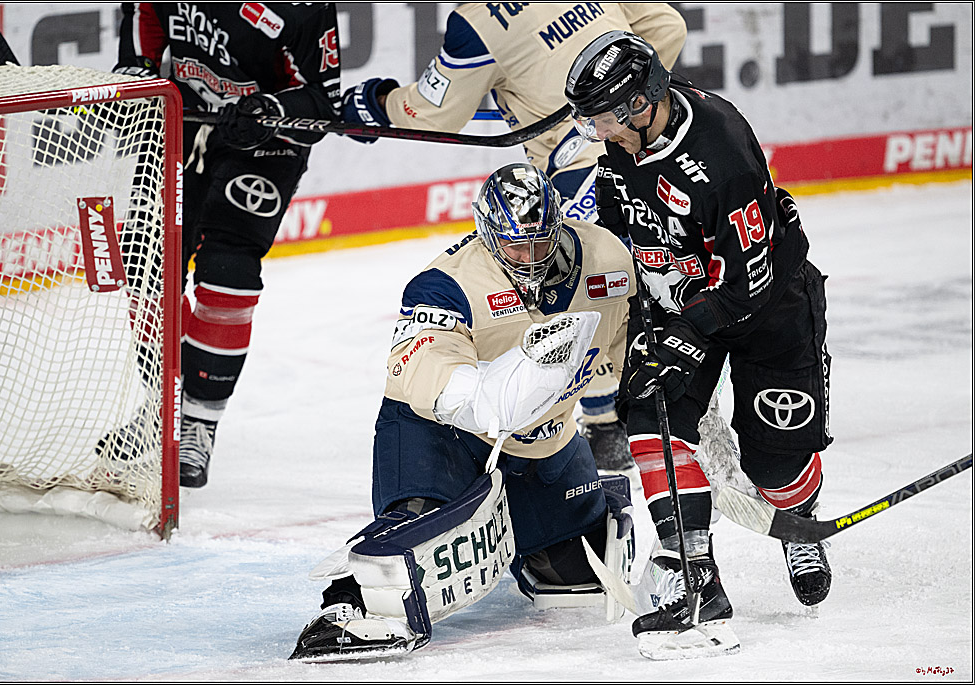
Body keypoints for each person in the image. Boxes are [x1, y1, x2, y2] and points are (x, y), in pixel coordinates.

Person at [290, 163, 637, 661]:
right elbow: (419, 365)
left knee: (579, 579)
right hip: (444, 432)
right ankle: (345, 602)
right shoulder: (446, 284)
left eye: (542, 242)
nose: (531, 258)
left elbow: (632, 338)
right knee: (411, 544)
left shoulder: (607, 257)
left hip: (545, 437)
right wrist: (491, 399)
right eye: (517, 246)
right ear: (488, 232)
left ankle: (521, 536)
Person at [564, 31, 834, 658]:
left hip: (768, 306)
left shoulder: (721, 150)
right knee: (649, 414)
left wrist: (684, 334)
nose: (599, 132)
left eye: (605, 118)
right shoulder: (619, 150)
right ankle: (694, 581)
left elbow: (750, 281)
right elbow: (613, 236)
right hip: (683, 300)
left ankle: (800, 522)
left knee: (777, 469)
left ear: (640, 105)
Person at [340, 3, 687, 474]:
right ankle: (628, 413)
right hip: (642, 147)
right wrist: (616, 102)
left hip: (580, 171)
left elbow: (430, 115)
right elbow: (668, 29)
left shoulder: (477, 22)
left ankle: (604, 422)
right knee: (630, 283)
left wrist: (372, 106)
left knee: (572, 291)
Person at [113, 3, 342, 488]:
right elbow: (145, 21)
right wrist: (136, 78)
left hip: (267, 137)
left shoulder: (303, 9)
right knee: (145, 263)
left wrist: (274, 110)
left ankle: (197, 422)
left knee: (228, 268)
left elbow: (324, 102)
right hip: (184, 118)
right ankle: (163, 407)